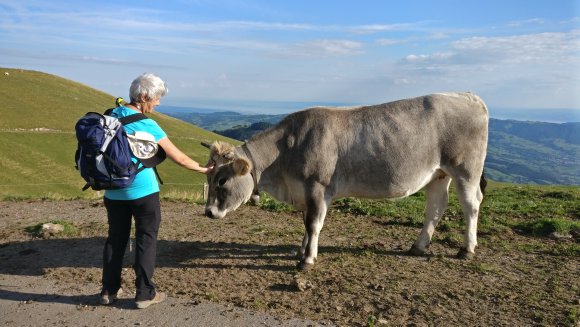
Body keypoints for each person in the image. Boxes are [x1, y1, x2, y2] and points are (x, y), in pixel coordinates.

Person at [99, 73, 213, 309]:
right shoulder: (146, 123)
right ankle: (144, 294)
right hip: (142, 192)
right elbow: (179, 158)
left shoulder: (109, 115)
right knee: (145, 240)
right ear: (143, 96)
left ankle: (108, 291)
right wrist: (204, 169)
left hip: (112, 192)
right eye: (157, 98)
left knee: (115, 240)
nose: (158, 103)